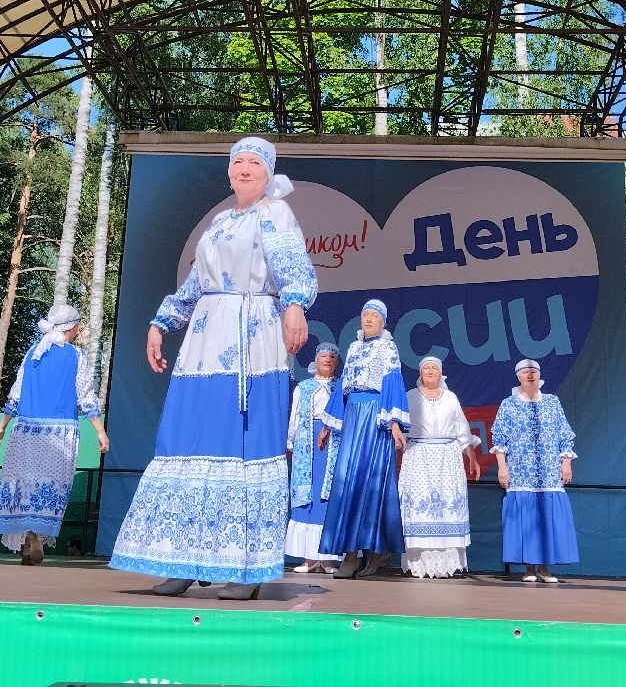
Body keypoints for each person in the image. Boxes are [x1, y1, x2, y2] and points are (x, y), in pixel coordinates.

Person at [109, 137, 316, 600]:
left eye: (254, 162)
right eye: (237, 161)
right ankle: (182, 558)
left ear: (268, 172)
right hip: (204, 342)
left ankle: (247, 569)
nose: (244, 168)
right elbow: (194, 283)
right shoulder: (221, 221)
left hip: (251, 339)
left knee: (244, 443)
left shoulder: (275, 213)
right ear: (228, 171)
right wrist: (161, 322)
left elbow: (293, 268)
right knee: (188, 440)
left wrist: (295, 305)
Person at [0, 303, 110, 565]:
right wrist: (100, 431)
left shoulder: (33, 353)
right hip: (59, 432)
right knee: (50, 486)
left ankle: (26, 539)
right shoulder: (76, 356)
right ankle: (37, 534)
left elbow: (16, 392)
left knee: (24, 483)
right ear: (71, 328)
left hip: (26, 429)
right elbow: (86, 395)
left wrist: (1, 425)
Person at [317, 299, 409, 579]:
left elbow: (392, 383)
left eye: (374, 316)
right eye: (365, 315)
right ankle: (349, 552)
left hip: (375, 416)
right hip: (353, 415)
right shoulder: (354, 347)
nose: (368, 319)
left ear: (383, 321)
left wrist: (394, 423)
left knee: (371, 481)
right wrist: (328, 425)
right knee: (347, 479)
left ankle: (374, 549)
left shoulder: (388, 348)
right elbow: (343, 388)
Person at [491, 359, 578, 583]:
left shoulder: (552, 402)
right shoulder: (509, 404)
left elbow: (564, 433)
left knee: (547, 518)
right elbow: (499, 438)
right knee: (527, 518)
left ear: (539, 375)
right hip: (521, 471)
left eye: (533, 371)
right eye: (525, 372)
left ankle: (545, 568)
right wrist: (502, 467)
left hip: (548, 471)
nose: (530, 375)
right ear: (518, 376)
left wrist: (566, 463)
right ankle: (530, 567)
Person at [398, 355, 480, 578]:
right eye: (426, 368)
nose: (430, 371)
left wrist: (471, 455)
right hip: (419, 456)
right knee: (420, 507)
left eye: (434, 368)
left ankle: (447, 564)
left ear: (441, 373)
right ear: (420, 373)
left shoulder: (450, 398)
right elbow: (400, 427)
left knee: (447, 506)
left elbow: (461, 429)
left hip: (447, 457)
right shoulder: (410, 396)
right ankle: (420, 564)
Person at [286, 342, 342, 573]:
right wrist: (291, 441)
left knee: (327, 497)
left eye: (332, 358)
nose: (327, 360)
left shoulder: (341, 387)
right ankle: (309, 558)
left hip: (334, 443)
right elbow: (295, 415)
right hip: (307, 443)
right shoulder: (304, 387)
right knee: (307, 496)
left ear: (336, 363)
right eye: (323, 357)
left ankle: (327, 558)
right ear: (316, 361)